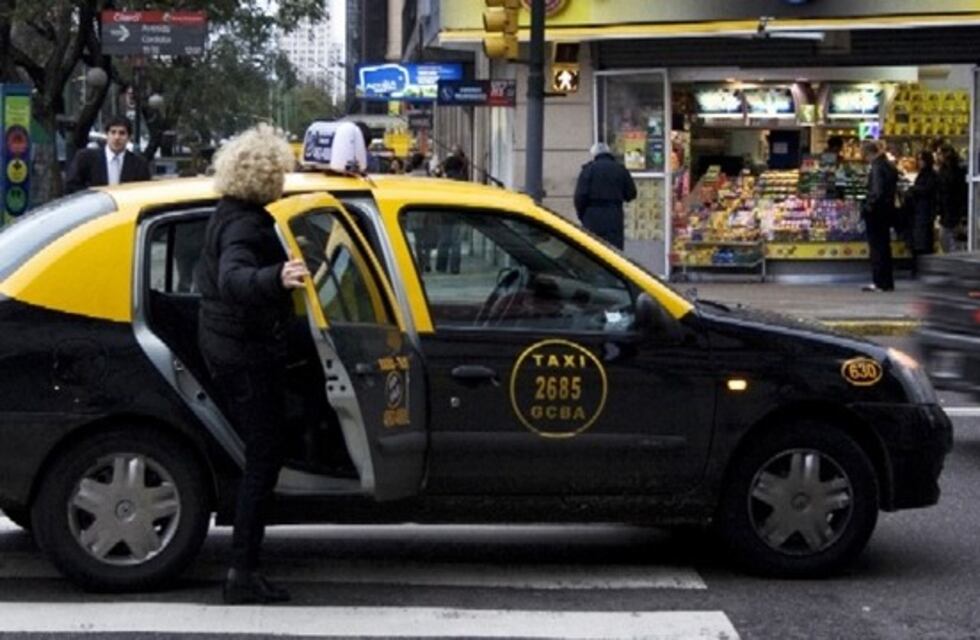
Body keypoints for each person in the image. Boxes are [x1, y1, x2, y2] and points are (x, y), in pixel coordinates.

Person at [194, 123, 310, 605]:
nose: (284, 180)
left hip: (226, 343)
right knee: (263, 458)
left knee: (264, 448)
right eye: (280, 172)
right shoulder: (247, 224)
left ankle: (245, 564)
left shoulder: (228, 212)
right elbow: (235, 277)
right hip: (246, 352)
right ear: (265, 176)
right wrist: (277, 276)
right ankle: (242, 570)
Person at [573, 142, 637, 250]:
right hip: (614, 215)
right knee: (613, 251)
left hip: (592, 216)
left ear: (594, 155)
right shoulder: (620, 169)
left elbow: (580, 196)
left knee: (593, 250)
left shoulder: (589, 170)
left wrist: (582, 215)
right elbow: (631, 194)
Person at [64, 115, 151, 193]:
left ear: (129, 137)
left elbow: (143, 193)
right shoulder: (86, 158)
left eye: (122, 133)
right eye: (113, 132)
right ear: (107, 135)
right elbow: (71, 186)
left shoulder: (139, 164)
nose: (117, 137)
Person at [861, 140, 898, 292]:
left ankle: (879, 281)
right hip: (887, 210)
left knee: (876, 247)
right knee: (884, 246)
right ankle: (887, 282)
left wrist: (868, 206)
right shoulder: (889, 165)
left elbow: (877, 191)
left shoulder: (876, 167)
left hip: (876, 212)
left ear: (868, 153)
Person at [903, 150, 938, 277]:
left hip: (923, 212)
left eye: (921, 160)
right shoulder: (926, 174)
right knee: (921, 240)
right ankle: (919, 268)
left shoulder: (929, 175)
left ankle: (920, 269)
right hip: (921, 211)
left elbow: (927, 190)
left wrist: (913, 190)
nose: (919, 162)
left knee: (922, 241)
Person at [436, 145, 468, 273]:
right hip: (459, 213)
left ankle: (441, 266)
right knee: (456, 242)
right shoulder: (462, 180)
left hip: (444, 214)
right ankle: (454, 268)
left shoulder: (443, 180)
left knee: (444, 240)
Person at [937, 144, 968, 253]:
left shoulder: (955, 171)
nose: (938, 156)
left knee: (951, 241)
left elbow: (961, 193)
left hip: (953, 211)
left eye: (940, 154)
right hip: (949, 211)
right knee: (948, 240)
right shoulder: (945, 170)